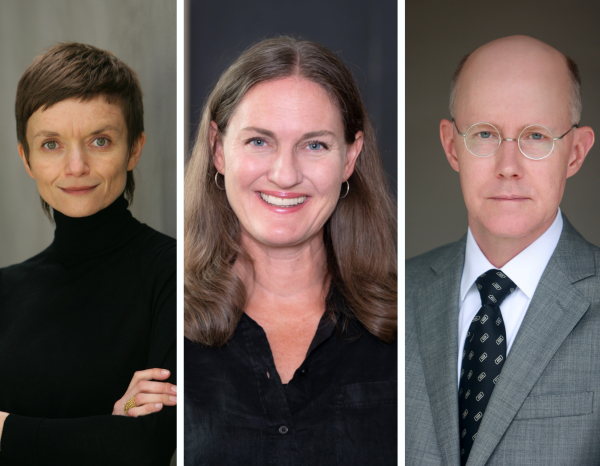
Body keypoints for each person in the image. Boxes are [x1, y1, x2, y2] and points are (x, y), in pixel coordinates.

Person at [184, 37, 397, 465]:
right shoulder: (165, 311)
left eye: (314, 145)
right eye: (260, 142)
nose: (284, 175)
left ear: (350, 158)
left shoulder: (405, 320)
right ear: (218, 148)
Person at [405, 35, 600, 465]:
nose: (507, 167)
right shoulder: (393, 296)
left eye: (535, 136)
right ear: (452, 145)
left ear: (576, 152)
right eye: (485, 134)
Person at [0, 43, 176, 465]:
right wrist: (107, 425)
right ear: (26, 158)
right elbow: (117, 441)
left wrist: (5, 428)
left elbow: (143, 444)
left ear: (133, 148)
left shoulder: (174, 272)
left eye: (99, 140)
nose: (75, 166)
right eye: (51, 144)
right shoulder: (4, 291)